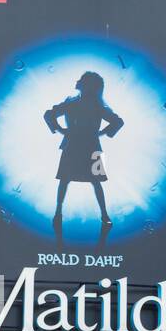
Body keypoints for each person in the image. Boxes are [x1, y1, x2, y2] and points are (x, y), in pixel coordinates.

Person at [44, 71, 124, 238]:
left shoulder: (80, 104)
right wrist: (100, 133)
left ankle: (61, 213)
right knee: (79, 181)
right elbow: (49, 114)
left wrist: (60, 130)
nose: (77, 81)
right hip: (86, 145)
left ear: (87, 85)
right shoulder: (86, 105)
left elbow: (49, 114)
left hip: (80, 145)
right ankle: (100, 215)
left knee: (69, 180)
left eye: (81, 80)